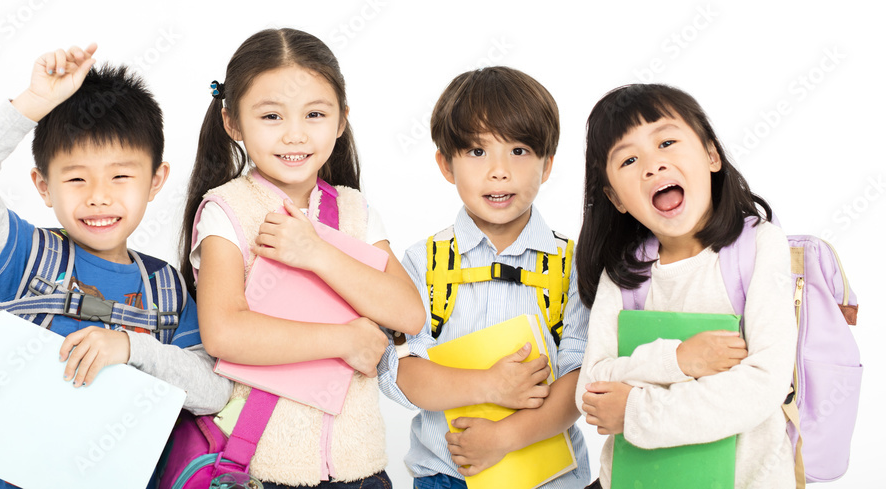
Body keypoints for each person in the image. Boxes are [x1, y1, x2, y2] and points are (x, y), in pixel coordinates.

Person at [0, 44, 232, 489]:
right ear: (43, 185)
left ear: (156, 182)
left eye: (120, 176)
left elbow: (214, 392)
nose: (98, 196)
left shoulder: (166, 289)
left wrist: (132, 348)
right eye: (76, 178)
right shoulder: (24, 257)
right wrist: (33, 104)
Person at [179, 28, 425, 489]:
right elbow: (224, 332)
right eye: (271, 115)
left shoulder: (355, 210)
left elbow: (409, 313)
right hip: (263, 469)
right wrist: (344, 340)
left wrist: (316, 252)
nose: (295, 134)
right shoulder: (227, 210)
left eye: (314, 114)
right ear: (232, 123)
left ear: (341, 119)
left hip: (363, 467)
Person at [378, 66, 592, 489]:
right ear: (446, 164)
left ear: (547, 165)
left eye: (519, 151)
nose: (499, 171)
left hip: (552, 479)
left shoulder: (574, 264)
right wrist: (491, 385)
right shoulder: (422, 261)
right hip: (447, 476)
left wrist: (504, 438)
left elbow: (581, 378)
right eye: (477, 152)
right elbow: (399, 372)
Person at [574, 84, 797, 489]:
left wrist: (635, 411)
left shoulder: (760, 246)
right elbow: (590, 390)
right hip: (631, 480)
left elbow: (764, 383)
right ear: (616, 198)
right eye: (628, 159)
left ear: (711, 155)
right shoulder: (624, 272)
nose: (653, 165)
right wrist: (678, 361)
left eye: (668, 142)